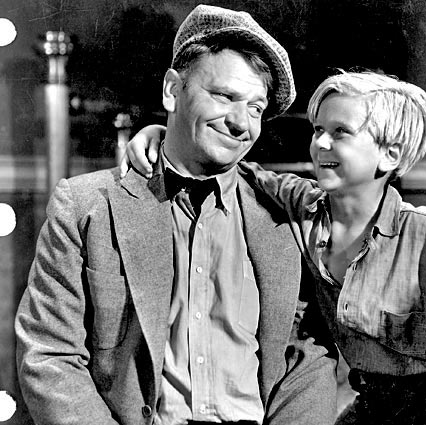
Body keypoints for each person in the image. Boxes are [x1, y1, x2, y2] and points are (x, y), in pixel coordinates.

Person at [126, 70, 426, 424]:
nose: (321, 144)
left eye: (341, 133)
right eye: (318, 129)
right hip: (375, 401)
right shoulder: (303, 206)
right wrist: (166, 136)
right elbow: (240, 170)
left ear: (390, 155)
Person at [15, 5, 344, 425]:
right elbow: (50, 355)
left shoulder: (284, 217)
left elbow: (307, 358)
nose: (240, 123)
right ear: (172, 90)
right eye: (224, 96)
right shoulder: (85, 206)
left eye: (256, 108)